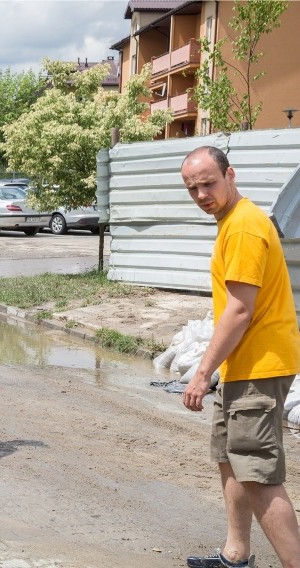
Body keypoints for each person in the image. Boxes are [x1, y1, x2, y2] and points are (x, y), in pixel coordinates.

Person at [181, 146, 300, 568]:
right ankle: (236, 554)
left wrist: (201, 373)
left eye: (208, 183)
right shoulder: (232, 221)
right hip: (241, 365)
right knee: (230, 458)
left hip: (259, 368)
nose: (201, 195)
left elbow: (239, 310)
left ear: (230, 175)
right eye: (192, 188)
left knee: (258, 474)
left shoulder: (245, 226)